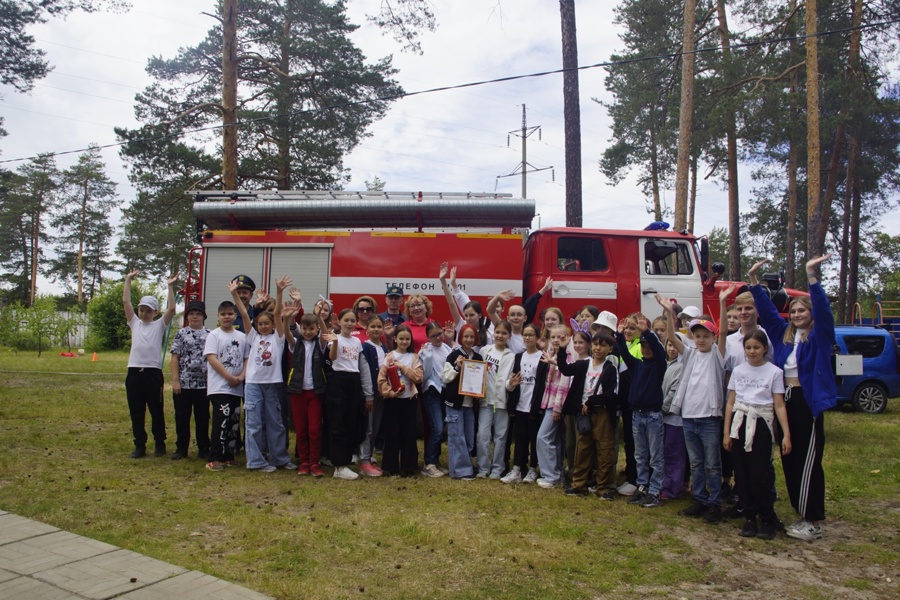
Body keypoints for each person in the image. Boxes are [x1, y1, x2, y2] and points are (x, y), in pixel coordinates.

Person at [749, 255, 836, 542]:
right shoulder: (785, 335)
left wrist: (812, 276)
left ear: (810, 314)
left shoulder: (819, 335)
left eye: (802, 311)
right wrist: (754, 283)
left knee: (809, 460)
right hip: (784, 400)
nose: (797, 314)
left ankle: (812, 521)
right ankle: (801, 513)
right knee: (790, 457)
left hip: (806, 401)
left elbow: (824, 311)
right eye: (794, 311)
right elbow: (768, 313)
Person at [658, 285, 731, 524]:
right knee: (697, 462)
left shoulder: (717, 356)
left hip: (709, 418)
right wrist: (669, 313)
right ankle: (699, 499)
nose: (701, 340)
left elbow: (722, 334)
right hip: (688, 417)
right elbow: (671, 337)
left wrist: (721, 301)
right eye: (697, 336)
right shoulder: (688, 354)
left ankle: (714, 503)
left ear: (712, 337)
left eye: (705, 336)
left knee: (712, 464)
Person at [724, 330, 792, 540]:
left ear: (764, 349)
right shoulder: (738, 371)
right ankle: (749, 516)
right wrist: (726, 432)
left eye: (756, 347)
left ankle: (766, 516)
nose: (752, 352)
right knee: (742, 473)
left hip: (761, 423)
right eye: (748, 347)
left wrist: (785, 435)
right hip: (740, 423)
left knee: (759, 474)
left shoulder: (774, 372)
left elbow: (779, 405)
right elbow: (731, 402)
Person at [231, 276, 295, 472]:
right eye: (261, 324)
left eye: (268, 323)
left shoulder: (278, 339)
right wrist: (234, 293)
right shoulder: (252, 338)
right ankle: (256, 461)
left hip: (273, 384)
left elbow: (277, 314)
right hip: (253, 385)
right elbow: (243, 313)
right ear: (256, 326)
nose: (264, 326)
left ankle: (279, 459)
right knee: (254, 423)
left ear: (274, 325)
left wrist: (279, 291)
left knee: (276, 423)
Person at [556, 331, 619, 498]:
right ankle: (579, 485)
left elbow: (611, 394)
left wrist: (590, 401)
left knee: (604, 450)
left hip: (602, 413)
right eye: (596, 344)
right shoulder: (584, 364)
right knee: (582, 449)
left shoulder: (610, 369)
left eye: (603, 345)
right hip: (583, 414)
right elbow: (565, 370)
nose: (598, 348)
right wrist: (562, 350)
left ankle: (604, 487)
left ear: (610, 349)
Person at [123, 270, 177, 458]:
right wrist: (128, 280)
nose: (144, 313)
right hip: (134, 372)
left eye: (148, 310)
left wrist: (170, 287)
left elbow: (171, 309)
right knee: (136, 411)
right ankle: (139, 444)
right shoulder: (134, 323)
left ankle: (160, 443)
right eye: (142, 310)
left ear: (155, 312)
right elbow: (126, 302)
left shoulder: (159, 325)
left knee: (156, 410)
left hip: (153, 373)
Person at [616, 317, 667, 508]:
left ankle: (655, 491)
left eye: (649, 347)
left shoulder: (659, 365)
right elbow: (623, 351)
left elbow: (658, 350)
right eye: (643, 347)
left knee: (655, 456)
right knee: (640, 454)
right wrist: (620, 335)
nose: (646, 349)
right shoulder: (637, 364)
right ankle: (642, 487)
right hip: (637, 414)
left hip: (653, 415)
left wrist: (646, 332)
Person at [323, 309, 375, 480]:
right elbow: (332, 358)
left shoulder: (357, 342)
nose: (350, 323)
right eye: (346, 320)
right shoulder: (334, 338)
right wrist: (336, 341)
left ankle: (346, 459)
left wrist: (367, 393)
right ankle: (339, 465)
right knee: (338, 422)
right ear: (340, 321)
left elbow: (359, 365)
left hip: (354, 381)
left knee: (351, 422)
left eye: (353, 320)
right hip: (338, 380)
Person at [204, 299, 249, 471]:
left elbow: (246, 358)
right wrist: (228, 376)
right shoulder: (214, 335)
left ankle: (229, 455)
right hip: (219, 386)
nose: (227, 317)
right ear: (218, 316)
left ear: (235, 316)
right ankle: (214, 457)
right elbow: (212, 358)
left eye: (230, 314)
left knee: (233, 423)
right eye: (223, 314)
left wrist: (241, 376)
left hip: (236, 388)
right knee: (220, 421)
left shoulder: (242, 337)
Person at [284, 310, 328, 477]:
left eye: (311, 328)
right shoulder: (295, 343)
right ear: (300, 328)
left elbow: (325, 334)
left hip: (315, 392)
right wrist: (288, 317)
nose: (308, 332)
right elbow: (287, 333)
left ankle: (315, 462)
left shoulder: (320, 344)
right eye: (304, 328)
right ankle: (304, 462)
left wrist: (321, 318)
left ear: (316, 328)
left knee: (315, 429)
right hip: (297, 391)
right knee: (301, 429)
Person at [377, 325, 424, 477]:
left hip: (409, 400)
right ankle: (391, 467)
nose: (404, 341)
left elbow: (418, 377)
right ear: (395, 339)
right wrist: (390, 393)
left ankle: (409, 467)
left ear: (410, 340)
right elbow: (381, 379)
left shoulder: (414, 357)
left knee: (409, 434)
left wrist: (403, 367)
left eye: (407, 339)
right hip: (393, 401)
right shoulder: (389, 357)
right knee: (392, 434)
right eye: (401, 338)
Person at [502, 323, 543, 484]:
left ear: (537, 337)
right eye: (525, 335)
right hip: (520, 404)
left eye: (531, 335)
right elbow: (511, 381)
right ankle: (517, 468)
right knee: (520, 438)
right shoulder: (518, 357)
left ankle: (533, 469)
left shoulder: (542, 357)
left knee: (534, 438)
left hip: (534, 406)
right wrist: (511, 383)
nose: (527, 338)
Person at [169, 299, 210, 460]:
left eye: (198, 314)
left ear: (203, 316)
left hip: (204, 384)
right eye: (191, 314)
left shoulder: (210, 334)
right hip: (184, 383)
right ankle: (181, 448)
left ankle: (203, 448)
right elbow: (175, 357)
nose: (195, 317)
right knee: (182, 417)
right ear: (187, 316)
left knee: (202, 418)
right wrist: (175, 380)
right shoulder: (181, 333)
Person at [441, 324, 483, 480]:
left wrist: (479, 391)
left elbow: (480, 380)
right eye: (466, 336)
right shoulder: (453, 356)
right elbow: (445, 378)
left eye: (472, 337)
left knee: (469, 437)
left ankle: (465, 465)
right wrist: (457, 367)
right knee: (456, 436)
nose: (469, 339)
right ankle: (460, 470)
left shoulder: (478, 358)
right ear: (461, 338)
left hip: (470, 404)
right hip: (454, 403)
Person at [534, 324, 574, 489]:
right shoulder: (550, 354)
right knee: (556, 439)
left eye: (560, 337)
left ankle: (551, 476)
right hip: (550, 403)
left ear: (567, 337)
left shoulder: (568, 357)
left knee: (543, 437)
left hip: (557, 406)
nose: (557, 340)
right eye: (554, 337)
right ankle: (556, 474)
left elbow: (564, 384)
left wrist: (557, 408)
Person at [476, 320, 515, 479]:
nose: (500, 335)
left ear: (509, 336)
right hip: (485, 401)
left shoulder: (512, 356)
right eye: (497, 332)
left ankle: (498, 468)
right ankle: (483, 468)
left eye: (504, 333)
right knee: (482, 436)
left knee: (500, 437)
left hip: (501, 403)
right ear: (493, 333)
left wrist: (511, 385)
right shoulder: (485, 351)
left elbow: (509, 383)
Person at [419, 321, 452, 477]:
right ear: (427, 337)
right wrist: (426, 357)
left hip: (445, 391)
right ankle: (429, 464)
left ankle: (435, 461)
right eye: (433, 336)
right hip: (432, 391)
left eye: (439, 334)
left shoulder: (447, 349)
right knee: (437, 428)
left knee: (441, 429)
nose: (437, 337)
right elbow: (424, 376)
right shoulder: (426, 351)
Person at [660, 339, 686, 499]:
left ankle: (673, 488)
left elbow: (674, 391)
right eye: (670, 345)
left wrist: (662, 409)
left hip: (674, 418)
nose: (672, 349)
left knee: (674, 454)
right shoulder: (664, 364)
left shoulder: (682, 367)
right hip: (663, 417)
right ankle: (665, 484)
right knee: (665, 452)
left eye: (676, 346)